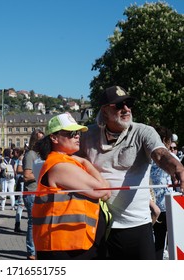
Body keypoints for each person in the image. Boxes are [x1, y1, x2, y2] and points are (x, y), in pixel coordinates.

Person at [79, 85, 184, 260]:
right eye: (119, 105)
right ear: (105, 111)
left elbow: (160, 154)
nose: (126, 109)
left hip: (137, 226)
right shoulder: (87, 136)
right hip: (99, 226)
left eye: (128, 103)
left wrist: (177, 168)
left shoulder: (143, 131)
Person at [32, 113, 111, 260]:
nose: (77, 136)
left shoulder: (66, 162)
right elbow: (103, 190)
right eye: (72, 133)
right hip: (66, 246)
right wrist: (85, 162)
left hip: (73, 243)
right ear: (54, 138)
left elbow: (105, 192)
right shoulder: (60, 165)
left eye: (78, 133)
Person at [150, 126, 180, 259]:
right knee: (175, 239)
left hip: (152, 204)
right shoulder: (171, 157)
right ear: (164, 140)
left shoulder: (148, 157)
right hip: (169, 204)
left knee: (158, 241)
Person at [22, 128, 45, 260]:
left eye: (43, 138)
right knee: (33, 223)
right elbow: (26, 175)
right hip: (31, 192)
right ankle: (31, 252)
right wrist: (43, 176)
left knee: (39, 223)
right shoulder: (30, 154)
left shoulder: (40, 155)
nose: (41, 141)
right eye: (39, 139)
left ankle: (37, 250)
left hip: (39, 192)